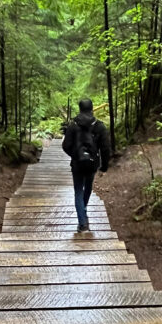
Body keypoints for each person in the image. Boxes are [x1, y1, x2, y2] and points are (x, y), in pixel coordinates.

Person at [62, 98, 111, 232]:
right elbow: (105, 148)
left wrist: (75, 156)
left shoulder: (73, 125)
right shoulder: (99, 126)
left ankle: (82, 223)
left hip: (77, 164)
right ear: (92, 108)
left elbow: (65, 145)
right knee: (88, 187)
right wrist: (104, 165)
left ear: (80, 108)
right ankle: (83, 213)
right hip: (92, 164)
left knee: (78, 190)